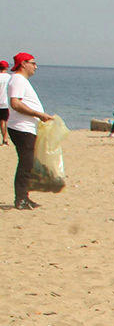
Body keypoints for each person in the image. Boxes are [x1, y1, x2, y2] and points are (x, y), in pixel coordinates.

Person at [7, 53, 55, 210]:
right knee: (25, 164)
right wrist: (38, 114)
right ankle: (20, 199)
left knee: (28, 164)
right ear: (23, 64)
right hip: (22, 128)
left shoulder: (21, 80)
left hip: (27, 128)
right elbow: (15, 104)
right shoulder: (17, 80)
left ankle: (25, 197)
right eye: (33, 63)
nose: (36, 66)